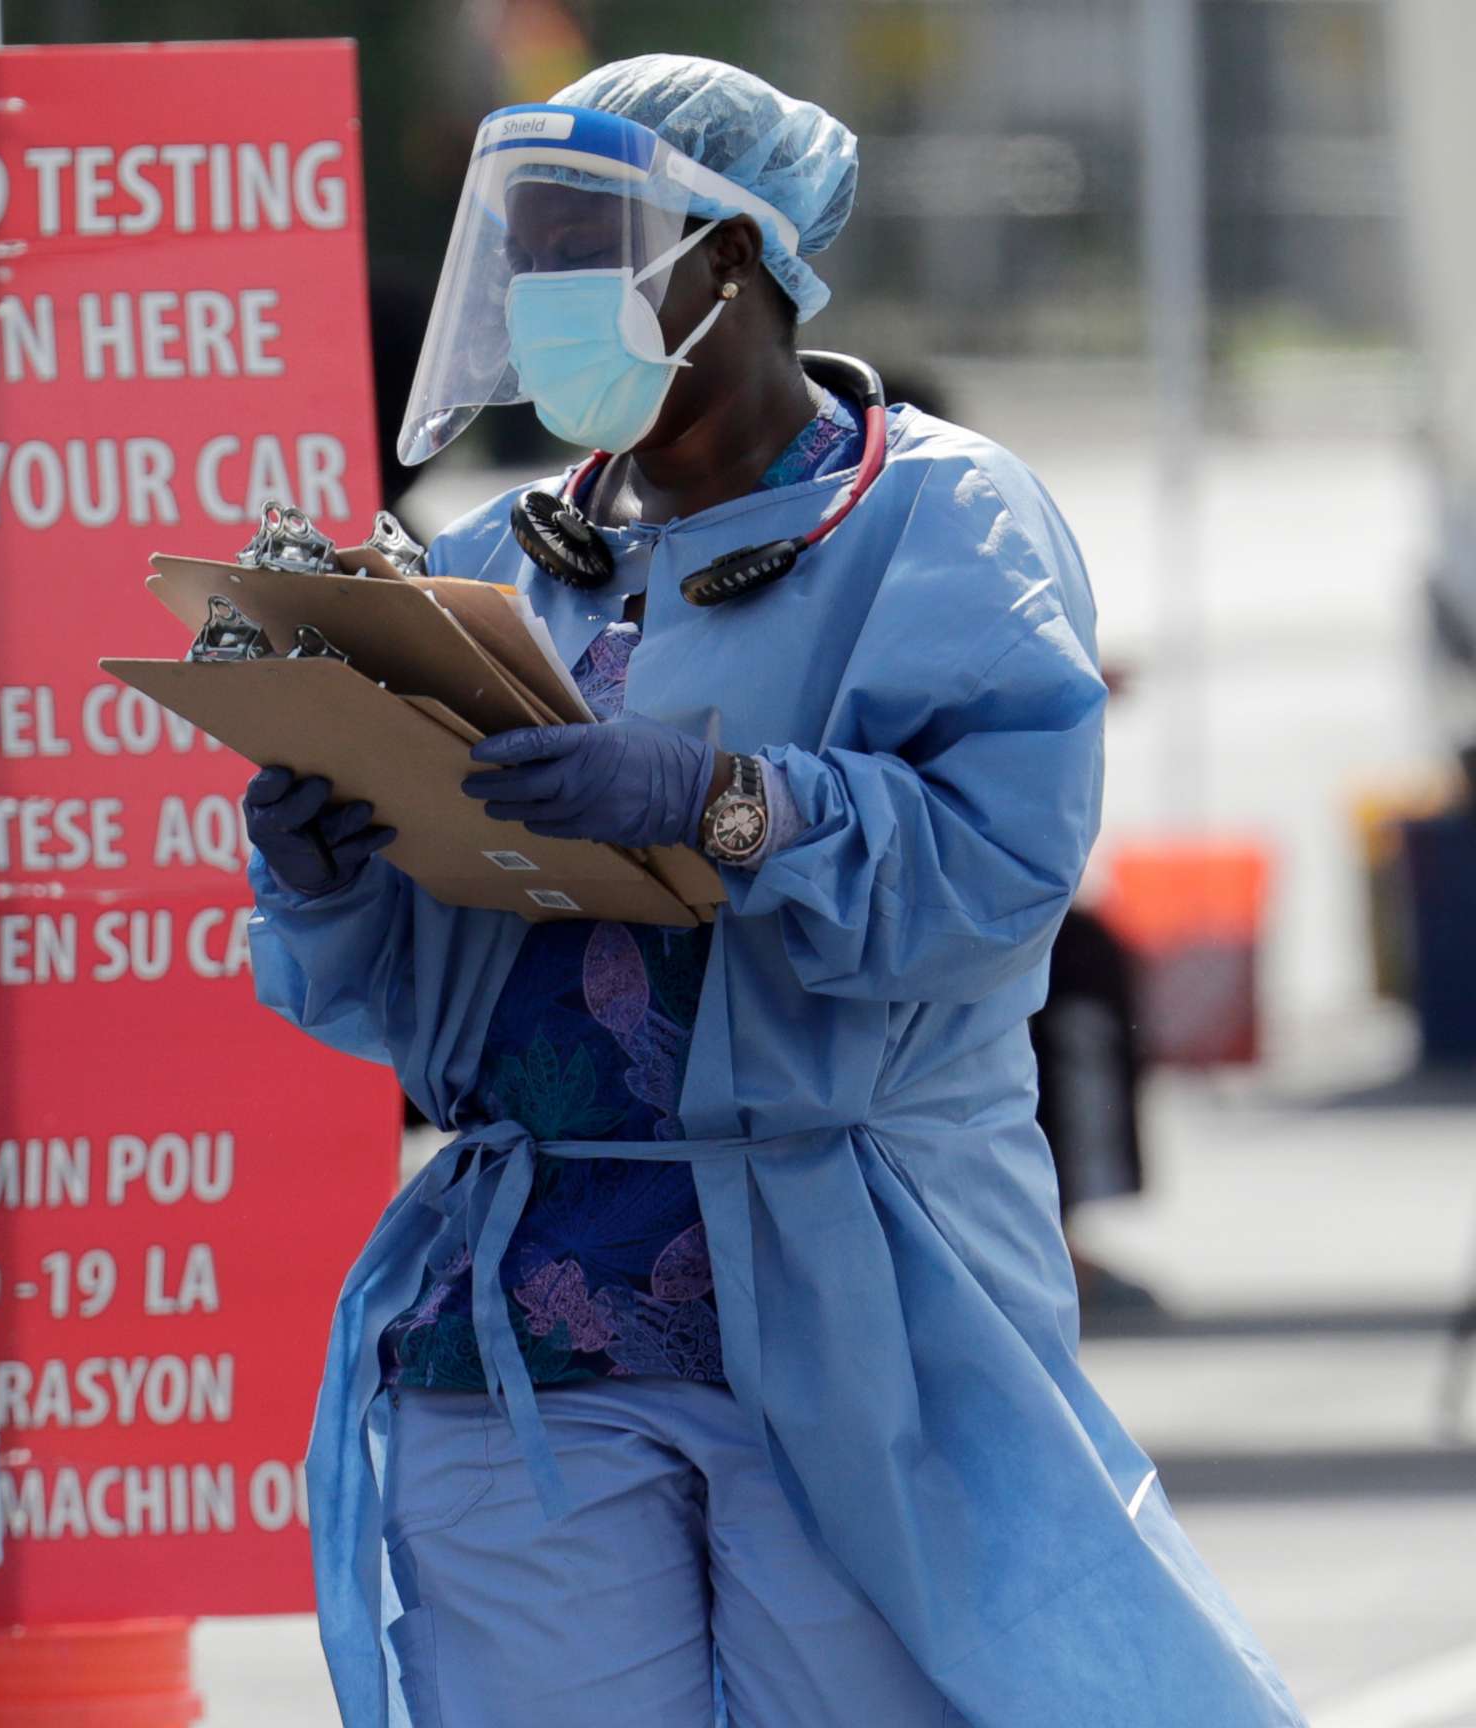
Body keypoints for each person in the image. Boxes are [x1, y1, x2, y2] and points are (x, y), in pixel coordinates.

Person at [248, 54, 1296, 1728]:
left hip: (838, 1293)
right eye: (521, 245)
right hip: (530, 1308)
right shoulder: (495, 559)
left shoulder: (941, 521)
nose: (539, 289)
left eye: (584, 241)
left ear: (727, 257)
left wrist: (729, 801)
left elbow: (995, 873)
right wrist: (324, 876)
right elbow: (395, 987)